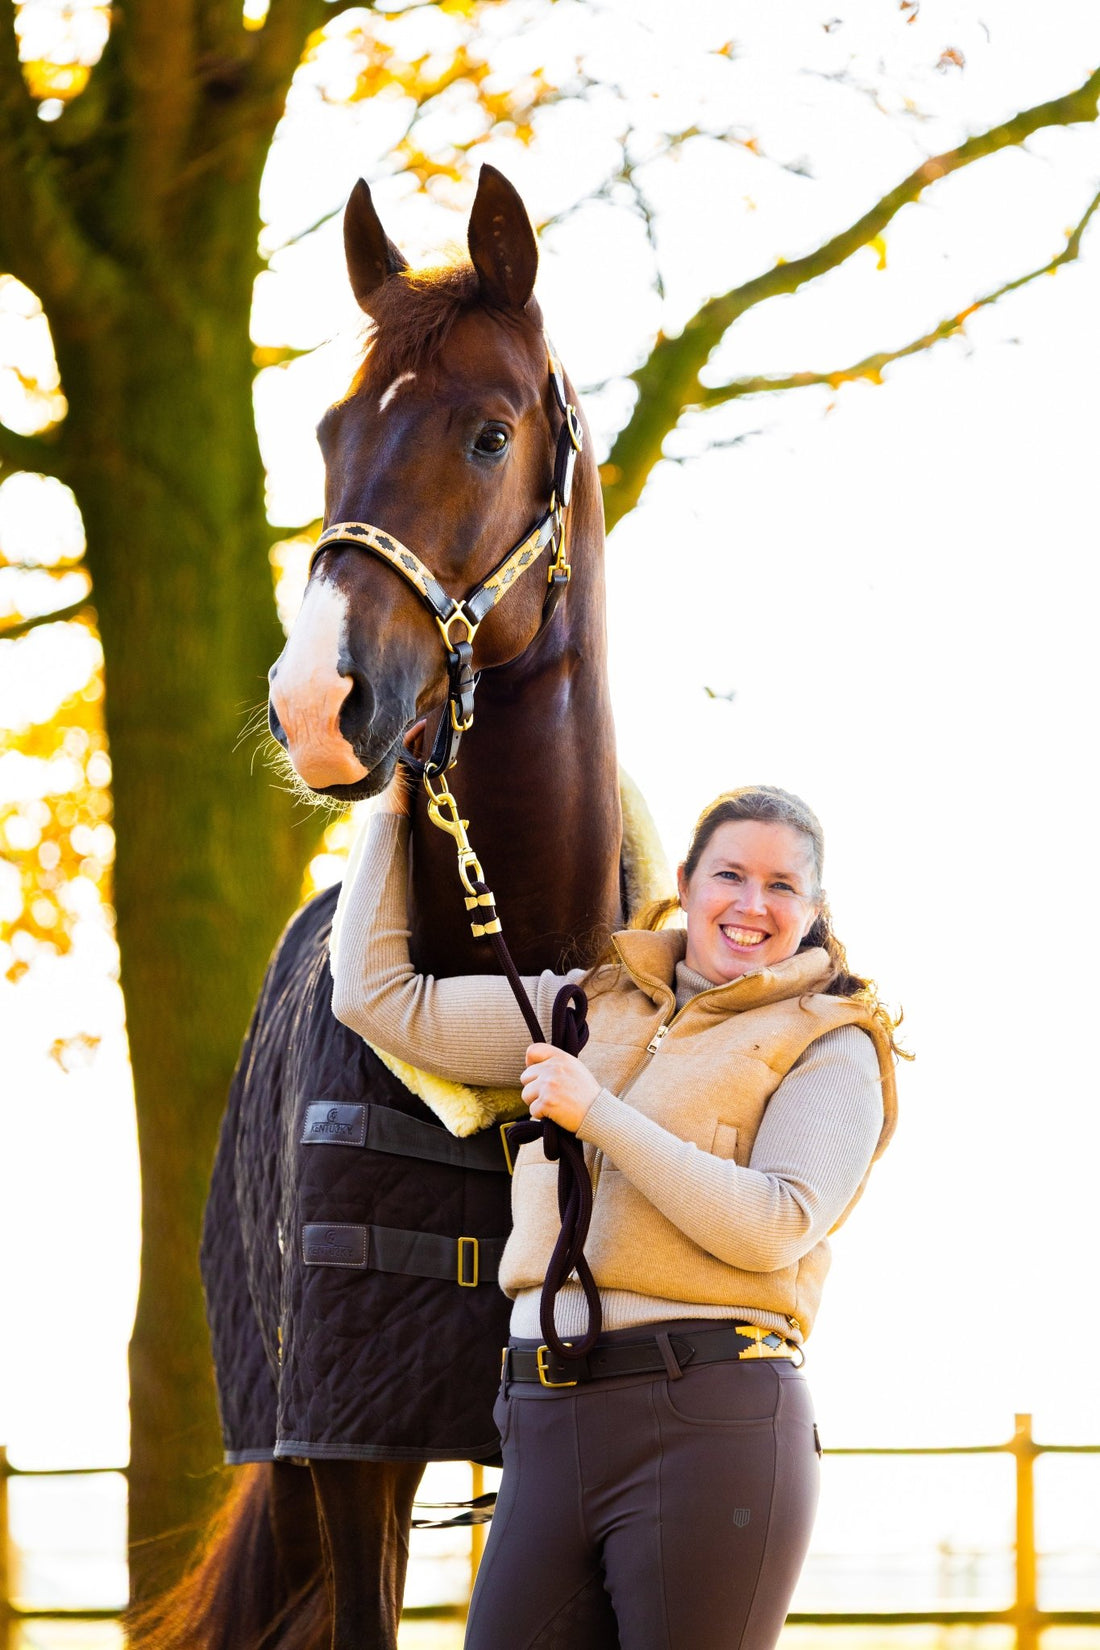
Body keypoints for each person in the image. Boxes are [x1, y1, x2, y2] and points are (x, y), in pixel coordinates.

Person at [331, 781, 900, 1650]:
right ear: (686, 880)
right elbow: (377, 998)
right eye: (731, 875)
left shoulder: (829, 1040)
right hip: (543, 1414)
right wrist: (394, 807)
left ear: (815, 909)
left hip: (710, 1419)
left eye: (784, 886)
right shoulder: (586, 1006)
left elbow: (777, 1222)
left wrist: (597, 1113)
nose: (752, 905)